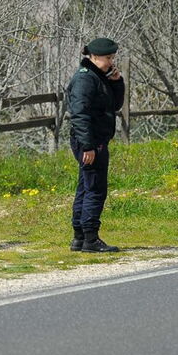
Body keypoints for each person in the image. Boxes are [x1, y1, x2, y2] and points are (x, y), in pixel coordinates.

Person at [66, 37, 125, 253]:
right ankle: (90, 238)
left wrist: (117, 82)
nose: (110, 62)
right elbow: (79, 115)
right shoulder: (85, 80)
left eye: (112, 57)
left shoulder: (98, 78)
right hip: (90, 141)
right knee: (95, 189)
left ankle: (79, 237)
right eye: (107, 58)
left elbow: (115, 105)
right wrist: (88, 145)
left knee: (85, 186)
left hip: (94, 140)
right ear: (94, 57)